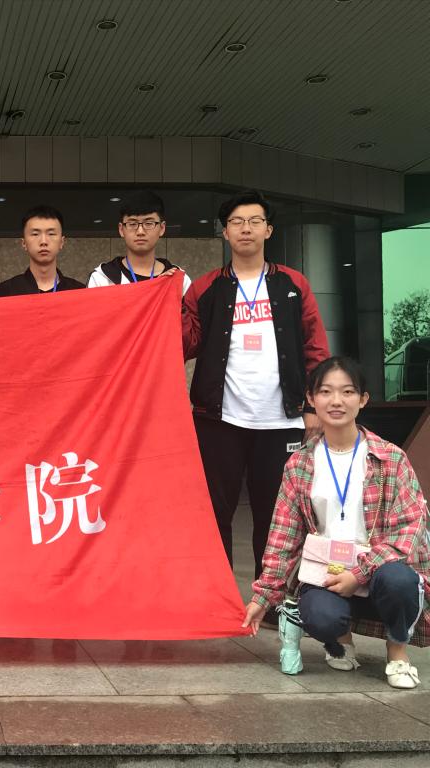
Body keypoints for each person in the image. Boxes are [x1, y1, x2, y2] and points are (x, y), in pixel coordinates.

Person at [243, 357, 428, 689]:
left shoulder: (390, 458)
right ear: (311, 399)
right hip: (328, 572)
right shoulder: (299, 464)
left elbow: (411, 527)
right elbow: (284, 536)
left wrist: (360, 573)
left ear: (363, 399)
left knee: (400, 581)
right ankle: (340, 640)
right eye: (326, 392)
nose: (336, 401)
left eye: (347, 392)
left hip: (380, 571)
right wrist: (263, 596)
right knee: (318, 614)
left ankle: (397, 652)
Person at [183, 189, 329, 579]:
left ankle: (270, 597)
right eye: (236, 222)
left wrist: (313, 406)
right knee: (216, 512)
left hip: (281, 420)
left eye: (254, 221)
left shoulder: (293, 284)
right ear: (225, 232)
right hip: (219, 419)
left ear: (268, 230)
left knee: (275, 515)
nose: (245, 229)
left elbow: (315, 347)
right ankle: (219, 597)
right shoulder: (205, 288)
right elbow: (186, 343)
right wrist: (163, 299)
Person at [87, 191, 191, 295]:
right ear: (121, 229)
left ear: (162, 228)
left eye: (149, 223)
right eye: (132, 224)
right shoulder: (102, 279)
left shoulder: (179, 280)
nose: (140, 231)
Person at [0, 206, 84, 296]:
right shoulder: (5, 292)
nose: (43, 241)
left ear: (61, 242)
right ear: (24, 243)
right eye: (35, 234)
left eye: (51, 234)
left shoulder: (79, 292)